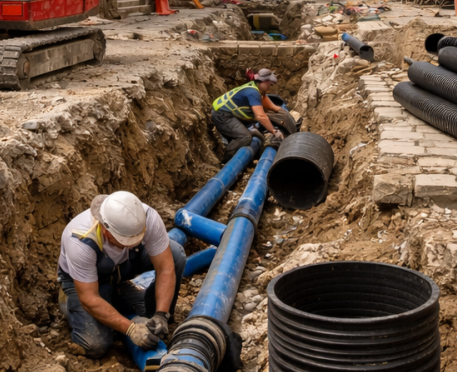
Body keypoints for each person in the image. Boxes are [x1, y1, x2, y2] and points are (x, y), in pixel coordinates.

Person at [58, 190, 184, 358]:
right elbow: (89, 298)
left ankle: (151, 318)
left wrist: (161, 314)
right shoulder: (80, 240)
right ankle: (68, 300)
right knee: (95, 345)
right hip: (86, 284)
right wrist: (131, 329)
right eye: (126, 241)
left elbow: (166, 268)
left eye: (136, 239)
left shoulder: (145, 218)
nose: (132, 244)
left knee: (175, 254)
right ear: (106, 230)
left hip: (121, 267)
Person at [211, 69, 286, 162]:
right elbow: (261, 116)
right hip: (222, 115)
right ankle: (225, 160)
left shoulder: (256, 88)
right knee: (245, 137)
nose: (269, 87)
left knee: (251, 128)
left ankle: (247, 135)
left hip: (227, 113)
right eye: (269, 84)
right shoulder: (253, 92)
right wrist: (274, 131)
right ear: (263, 81)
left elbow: (268, 103)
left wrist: (280, 110)